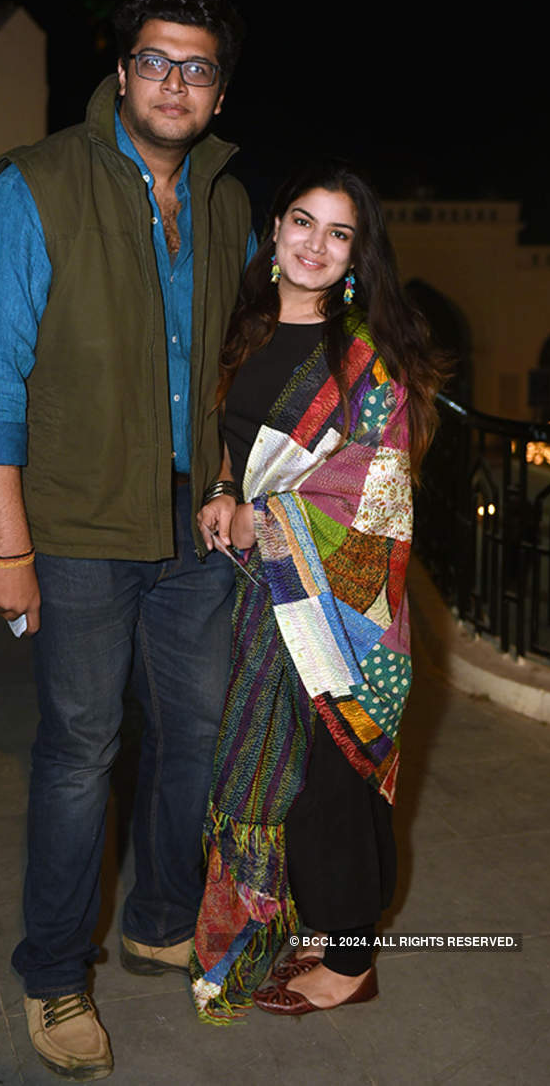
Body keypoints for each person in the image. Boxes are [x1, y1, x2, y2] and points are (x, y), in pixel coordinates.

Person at [0, 0, 253, 1079]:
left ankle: (161, 916)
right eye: (155, 61)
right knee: (81, 751)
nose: (175, 82)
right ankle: (57, 974)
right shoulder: (36, 186)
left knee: (198, 734)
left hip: (188, 521)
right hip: (72, 525)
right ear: (121, 73)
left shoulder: (223, 195)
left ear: (219, 90)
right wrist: (10, 550)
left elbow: (212, 358)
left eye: (198, 65)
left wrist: (221, 474)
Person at [190, 159, 443, 1020]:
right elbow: (228, 444)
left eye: (340, 233)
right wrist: (227, 494)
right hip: (256, 599)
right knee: (278, 772)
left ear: (358, 258)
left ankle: (352, 958)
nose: (316, 244)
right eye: (304, 221)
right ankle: (303, 921)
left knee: (336, 773)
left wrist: (271, 522)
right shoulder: (241, 331)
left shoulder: (369, 364)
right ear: (276, 228)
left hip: (343, 608)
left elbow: (380, 495)